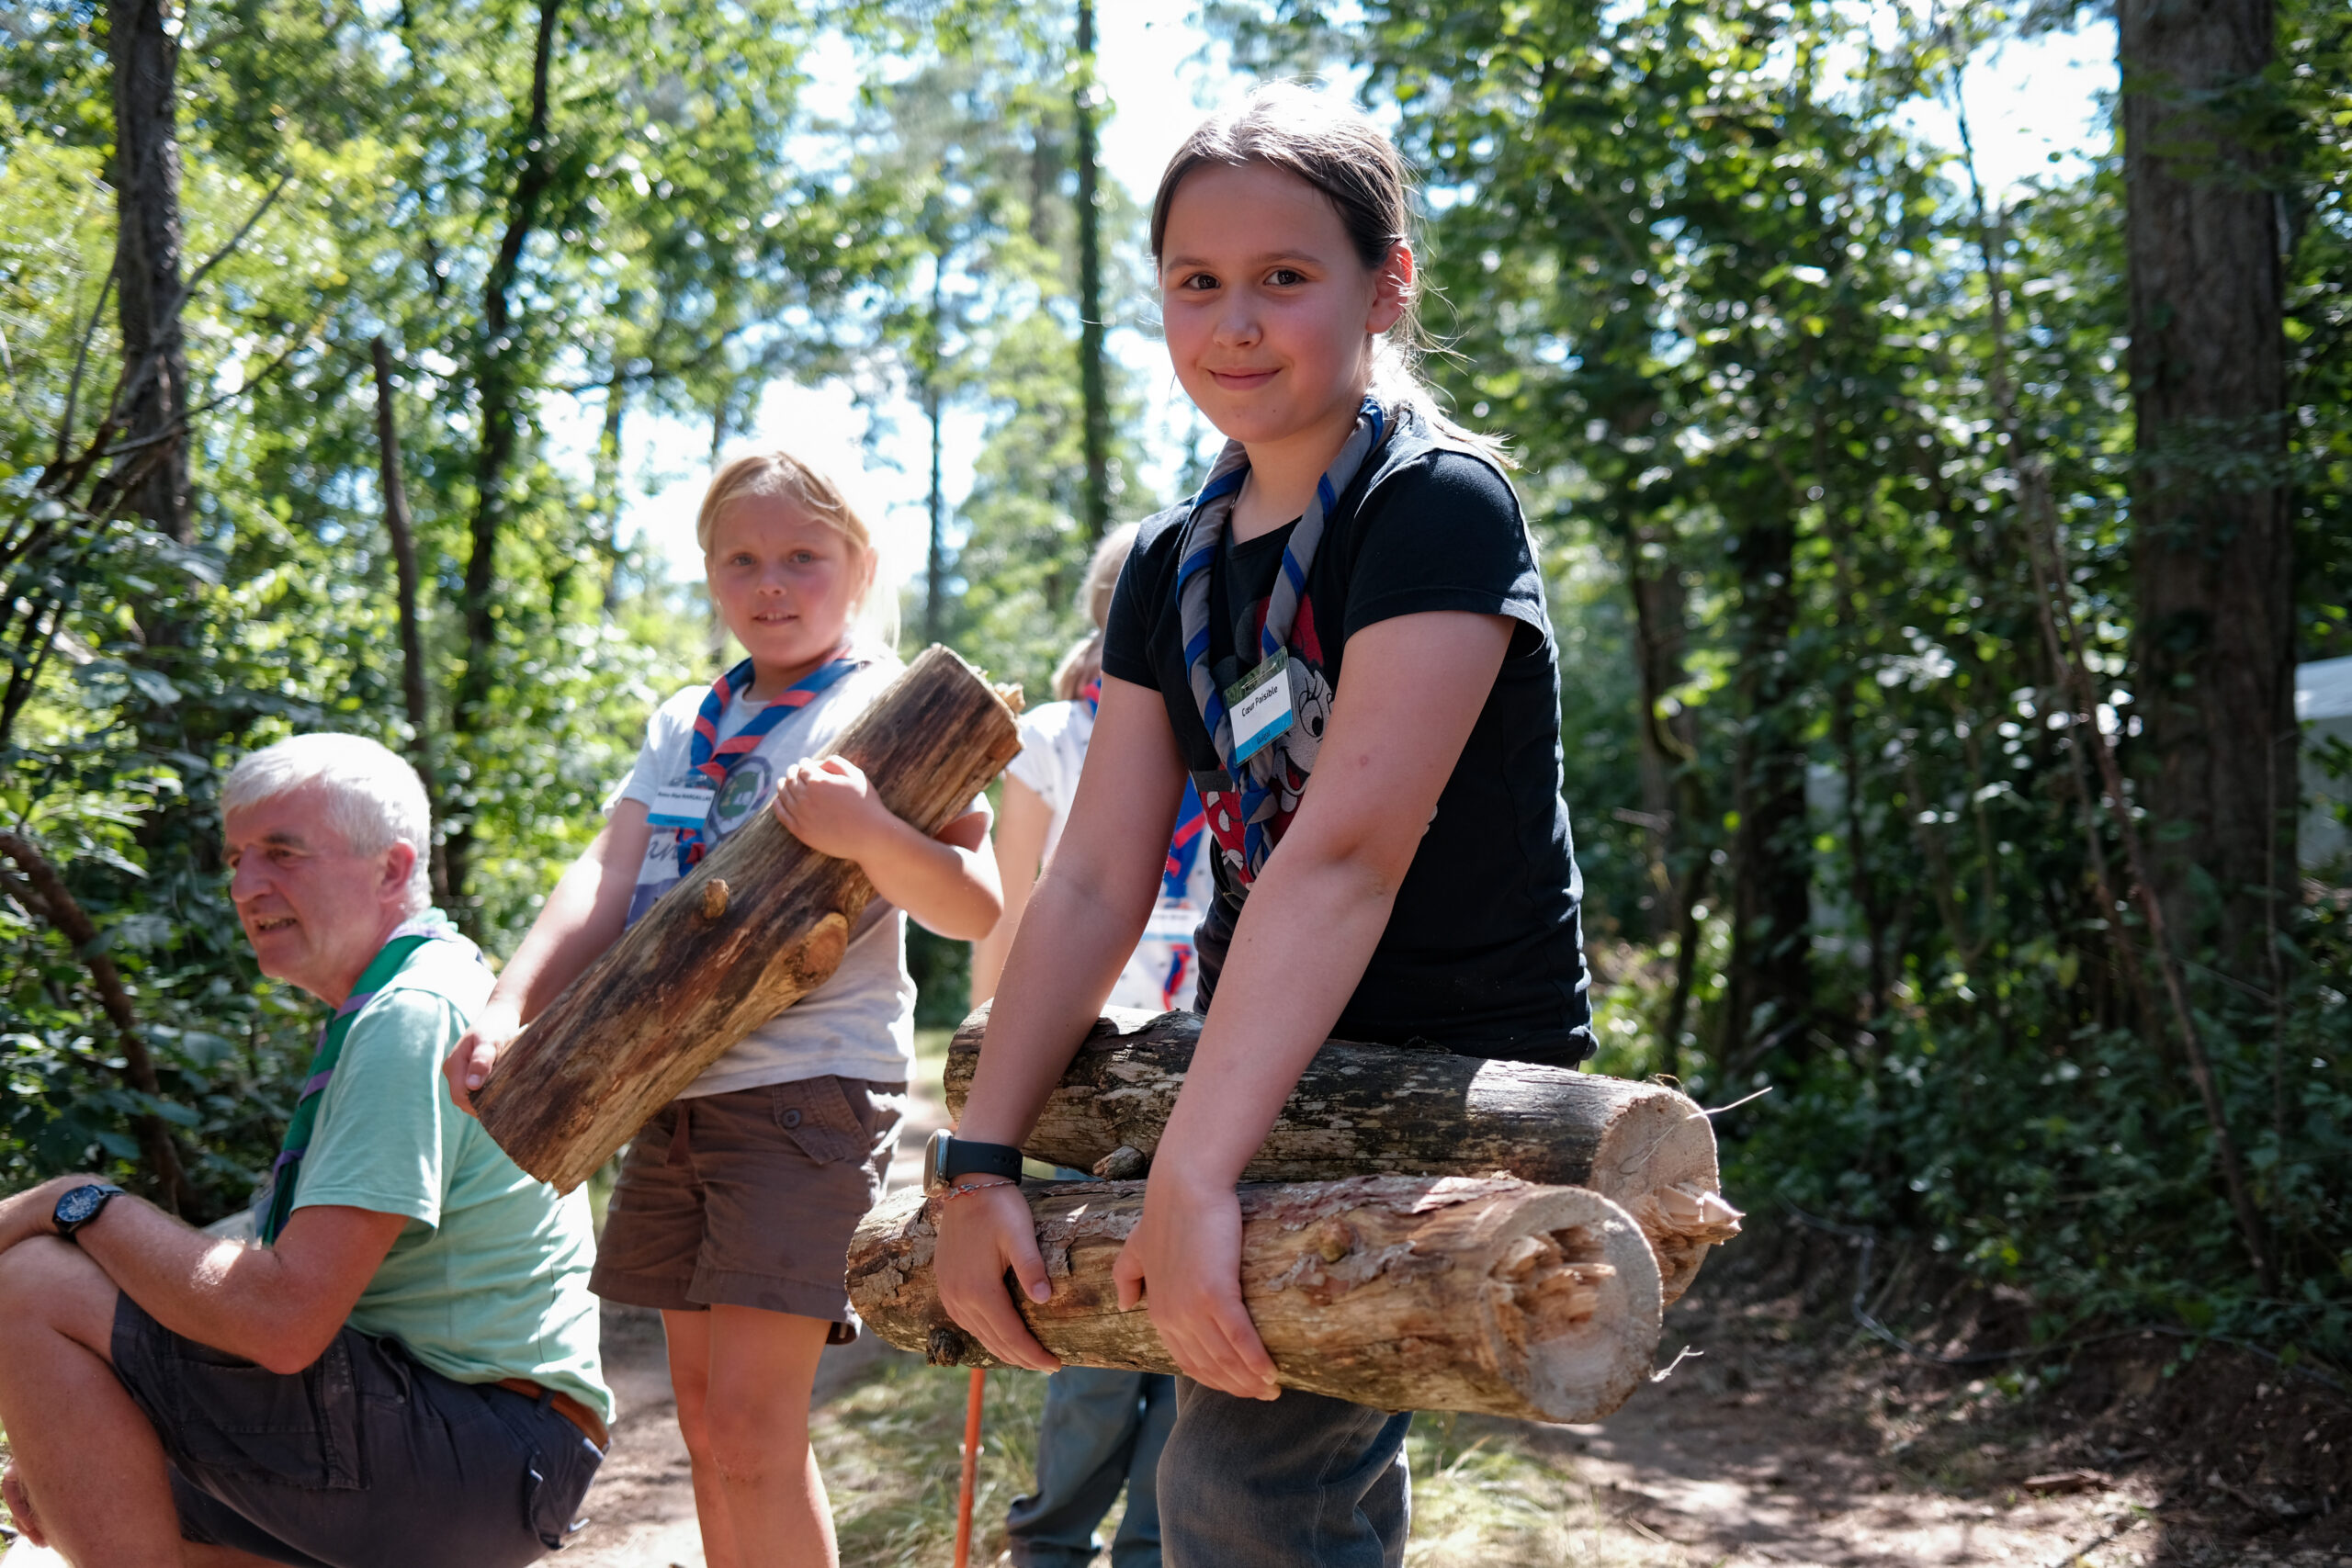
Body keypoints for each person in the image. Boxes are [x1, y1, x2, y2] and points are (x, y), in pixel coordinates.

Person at [931, 84, 1596, 1568]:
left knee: (1235, 1484)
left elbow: (1348, 854)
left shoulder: (1438, 508)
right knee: (1211, 1462)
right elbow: (1098, 874)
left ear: (1386, 283)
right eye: (1197, 282)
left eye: (1286, 277)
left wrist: (1193, 1173)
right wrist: (978, 1165)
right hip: (1265, 1046)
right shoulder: (1171, 565)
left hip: (1445, 1057)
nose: (1236, 321)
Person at [445, 447, 1001, 1568]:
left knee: (754, 1425)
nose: (771, 583)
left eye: (804, 556)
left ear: (857, 566)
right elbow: (605, 877)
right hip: (669, 1090)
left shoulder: (889, 707)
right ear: (708, 576)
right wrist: (507, 1007)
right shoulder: (684, 718)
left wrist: (871, 838)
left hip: (804, 1097)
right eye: (740, 560)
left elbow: (972, 907)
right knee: (706, 1430)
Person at [0, 732, 611, 1568]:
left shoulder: (411, 1012)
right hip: (493, 1454)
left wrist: (75, 1200)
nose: (246, 886)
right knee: (112, 1484)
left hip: (482, 1452)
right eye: (238, 858)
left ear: (392, 870)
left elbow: (283, 1323)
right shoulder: (410, 995)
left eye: (282, 853)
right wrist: (62, 1438)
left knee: (31, 1280)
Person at [970, 525, 1206, 1568]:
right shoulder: (1059, 738)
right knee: (1092, 1323)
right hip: (1087, 1067)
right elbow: (1014, 912)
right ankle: (1052, 1539)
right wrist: (989, 1072)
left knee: (1188, 1330)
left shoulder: (1244, 729)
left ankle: (1153, 1546)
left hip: (1214, 1061)